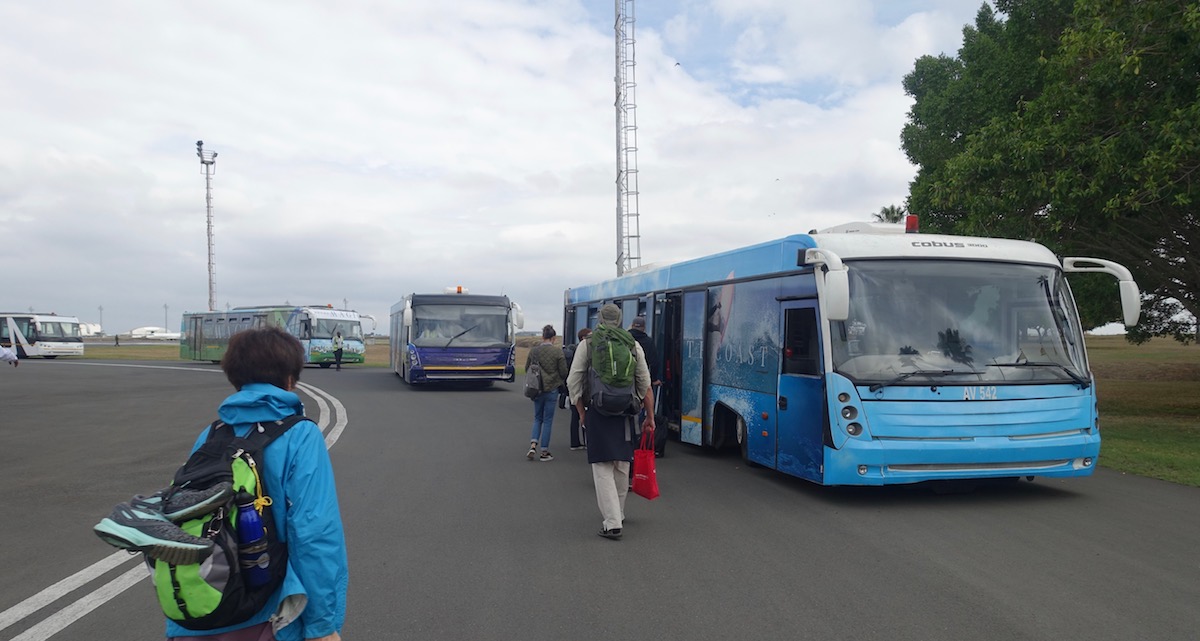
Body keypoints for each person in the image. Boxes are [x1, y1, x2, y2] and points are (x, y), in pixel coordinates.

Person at [173, 326, 348, 641]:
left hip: (197, 611)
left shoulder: (211, 434)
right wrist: (323, 625)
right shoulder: (301, 435)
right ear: (290, 379)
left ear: (234, 378)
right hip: (265, 617)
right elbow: (313, 534)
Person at [567, 304, 654, 541]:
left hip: (598, 410)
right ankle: (620, 513)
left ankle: (612, 522)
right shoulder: (632, 345)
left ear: (600, 320)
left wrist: (581, 412)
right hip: (626, 412)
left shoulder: (588, 344)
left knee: (601, 467)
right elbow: (644, 382)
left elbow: (573, 381)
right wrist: (649, 416)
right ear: (620, 319)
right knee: (622, 465)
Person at [526, 325, 568, 462]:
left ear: (543, 337)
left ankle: (533, 445)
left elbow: (527, 368)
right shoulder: (557, 352)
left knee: (537, 418)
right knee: (548, 420)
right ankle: (544, 451)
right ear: (554, 338)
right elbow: (563, 372)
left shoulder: (534, 351)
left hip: (537, 388)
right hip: (552, 389)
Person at [561, 327, 591, 450]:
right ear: (583, 338)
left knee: (575, 415)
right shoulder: (585, 350)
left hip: (573, 387)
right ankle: (585, 441)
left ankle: (575, 442)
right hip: (582, 386)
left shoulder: (572, 351)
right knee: (584, 414)